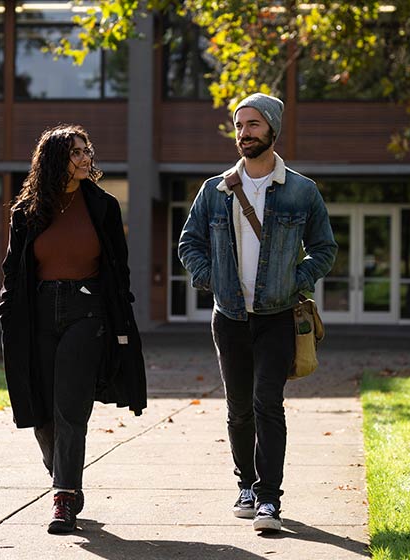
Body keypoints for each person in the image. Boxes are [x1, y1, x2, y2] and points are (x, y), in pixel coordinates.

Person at [178, 93, 336, 533]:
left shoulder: (302, 191)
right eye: (238, 126)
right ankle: (245, 485)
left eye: (252, 125)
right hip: (229, 316)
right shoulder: (216, 190)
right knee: (238, 408)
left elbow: (325, 249)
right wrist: (213, 278)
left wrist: (297, 279)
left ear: (271, 128)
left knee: (268, 402)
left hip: (277, 316)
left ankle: (269, 500)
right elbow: (189, 244)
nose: (243, 133)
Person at [0, 124, 146, 534]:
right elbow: (13, 273)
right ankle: (62, 471)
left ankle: (63, 497)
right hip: (38, 314)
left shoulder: (102, 206)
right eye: (76, 152)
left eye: (87, 151)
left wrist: (119, 322)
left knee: (70, 407)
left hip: (88, 313)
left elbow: (119, 270)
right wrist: (7, 317)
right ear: (54, 160)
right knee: (40, 407)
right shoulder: (26, 211)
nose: (85, 158)